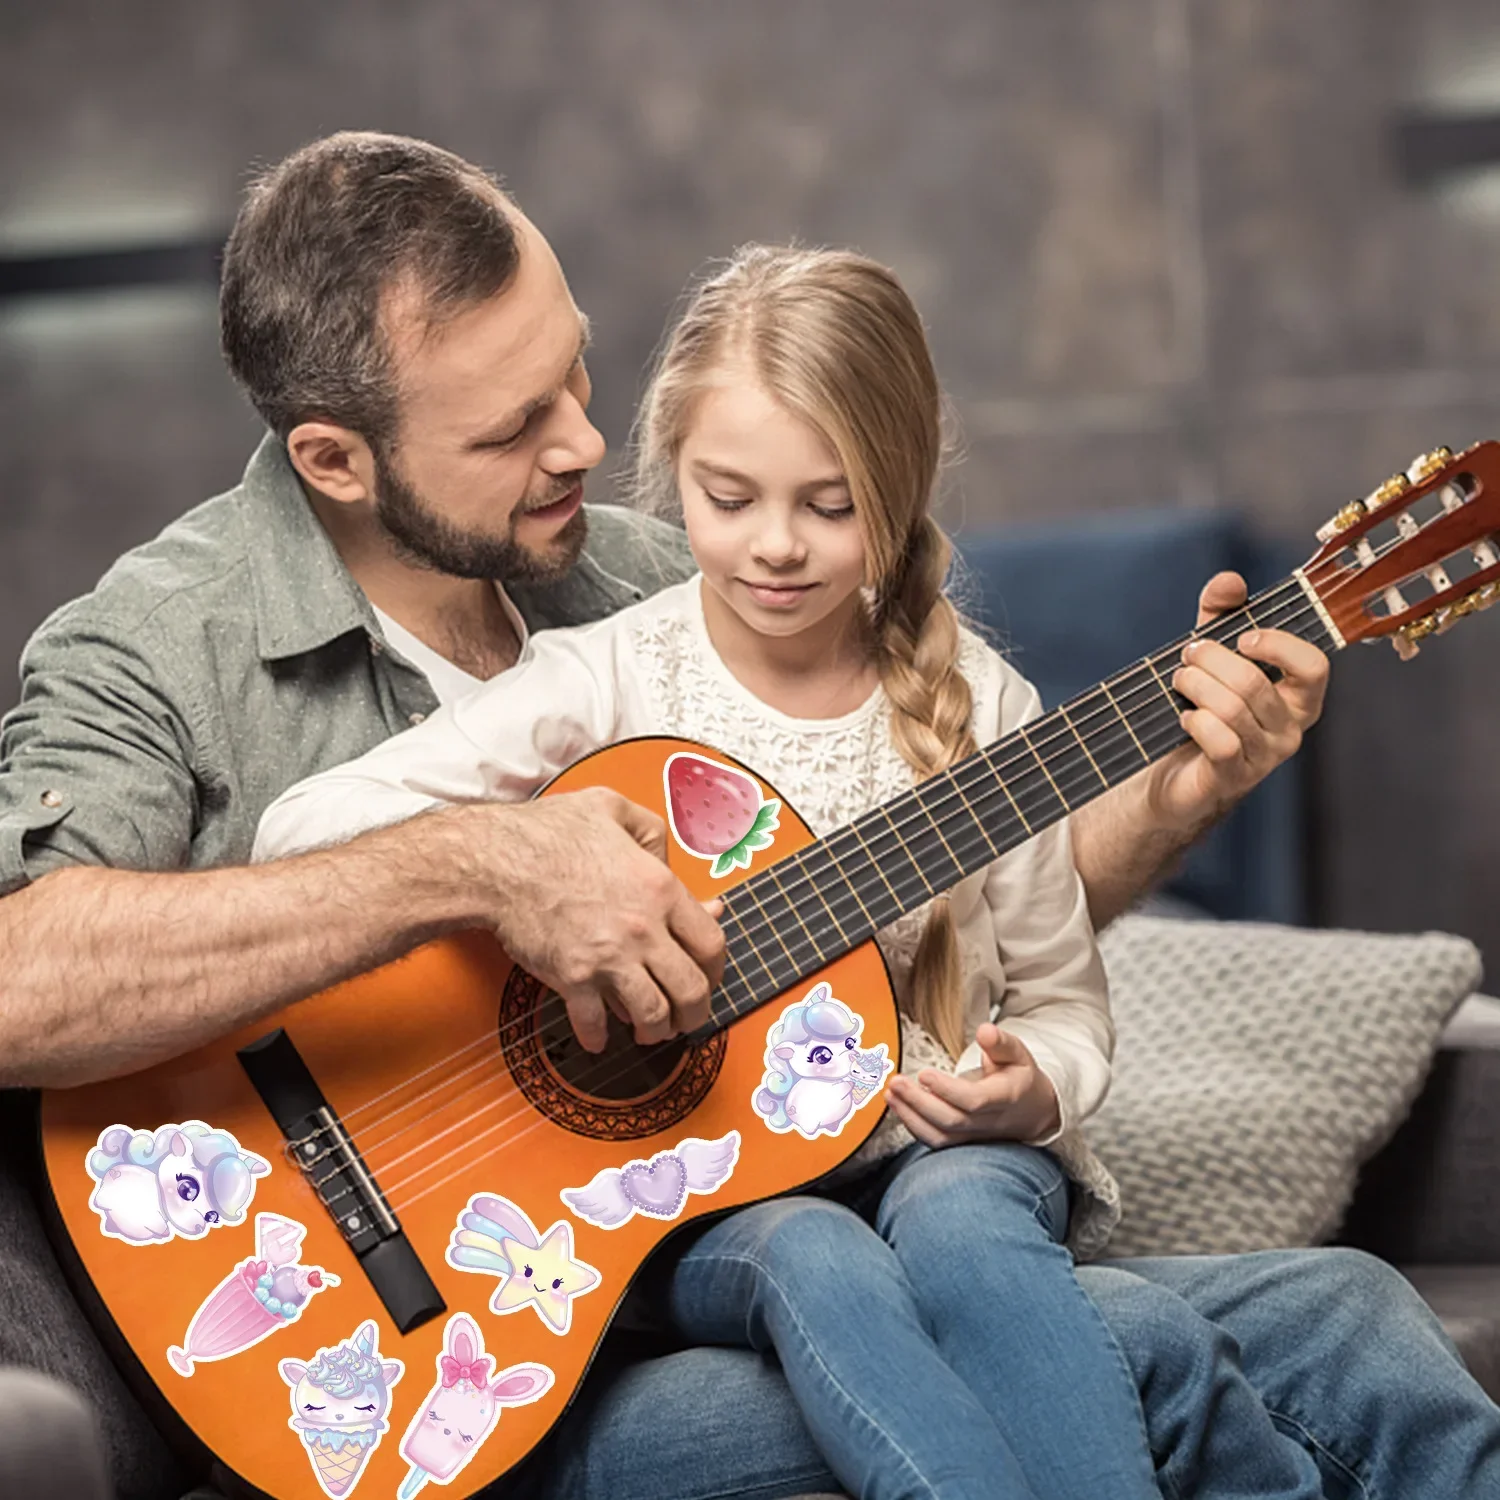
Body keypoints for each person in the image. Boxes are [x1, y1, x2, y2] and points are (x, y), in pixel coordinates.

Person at [0, 132, 1493, 1500]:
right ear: (336, 458)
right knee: (1126, 1361)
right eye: (518, 426)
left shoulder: (668, 567)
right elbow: (19, 981)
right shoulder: (157, 648)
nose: (586, 446)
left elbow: (930, 891)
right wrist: (482, 861)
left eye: (578, 375)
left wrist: (1184, 793)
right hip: (444, 1336)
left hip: (763, 1203)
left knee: (1352, 1320)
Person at [253, 240, 1167, 1500]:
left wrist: (1032, 1090)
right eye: (727, 499)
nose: (777, 546)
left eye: (831, 505)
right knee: (813, 1256)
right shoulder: (609, 678)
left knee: (964, 1225)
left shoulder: (982, 709)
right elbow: (297, 835)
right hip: (704, 1190)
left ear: (900, 490)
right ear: (670, 472)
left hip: (934, 1143)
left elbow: (1066, 1008)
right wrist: (509, 861)